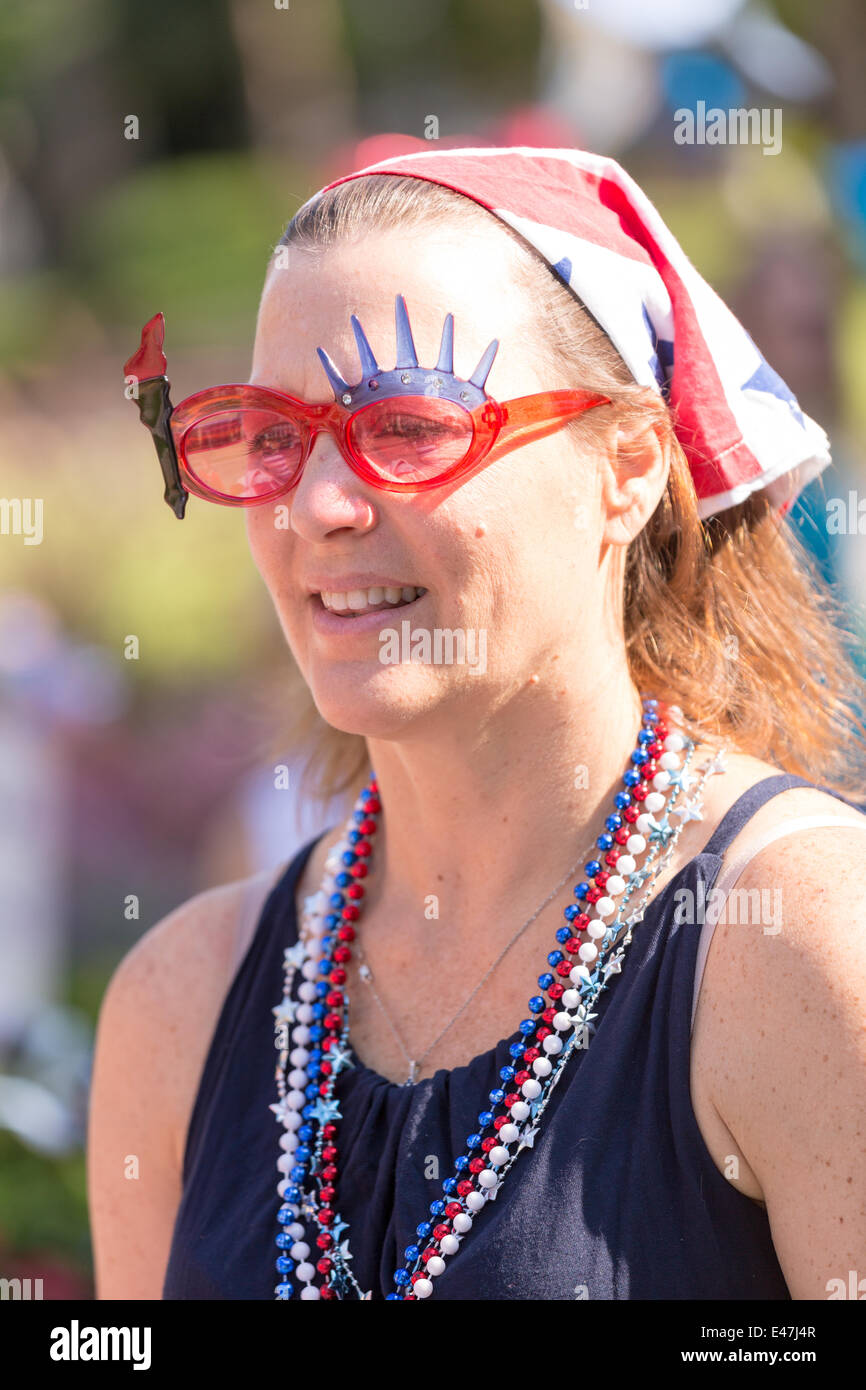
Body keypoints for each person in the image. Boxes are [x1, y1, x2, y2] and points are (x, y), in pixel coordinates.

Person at [89, 147, 866, 1301]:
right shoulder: (182, 999)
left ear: (628, 465)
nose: (317, 506)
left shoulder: (797, 945)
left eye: (404, 425)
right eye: (269, 433)